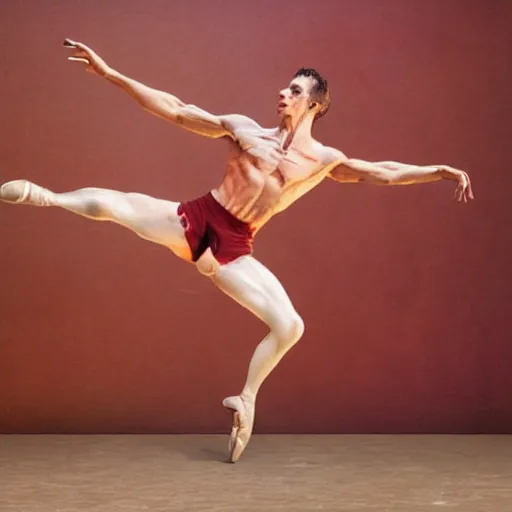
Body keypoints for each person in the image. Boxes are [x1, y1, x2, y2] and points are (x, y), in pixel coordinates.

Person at [0, 39, 474, 463]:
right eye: (285, 88)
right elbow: (175, 109)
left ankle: (246, 398)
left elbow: (384, 172)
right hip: (198, 219)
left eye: (293, 90)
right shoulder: (245, 131)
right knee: (115, 206)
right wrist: (111, 74)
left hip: (233, 247)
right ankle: (48, 197)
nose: (282, 94)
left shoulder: (324, 162)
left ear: (314, 104)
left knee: (290, 326)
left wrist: (440, 170)